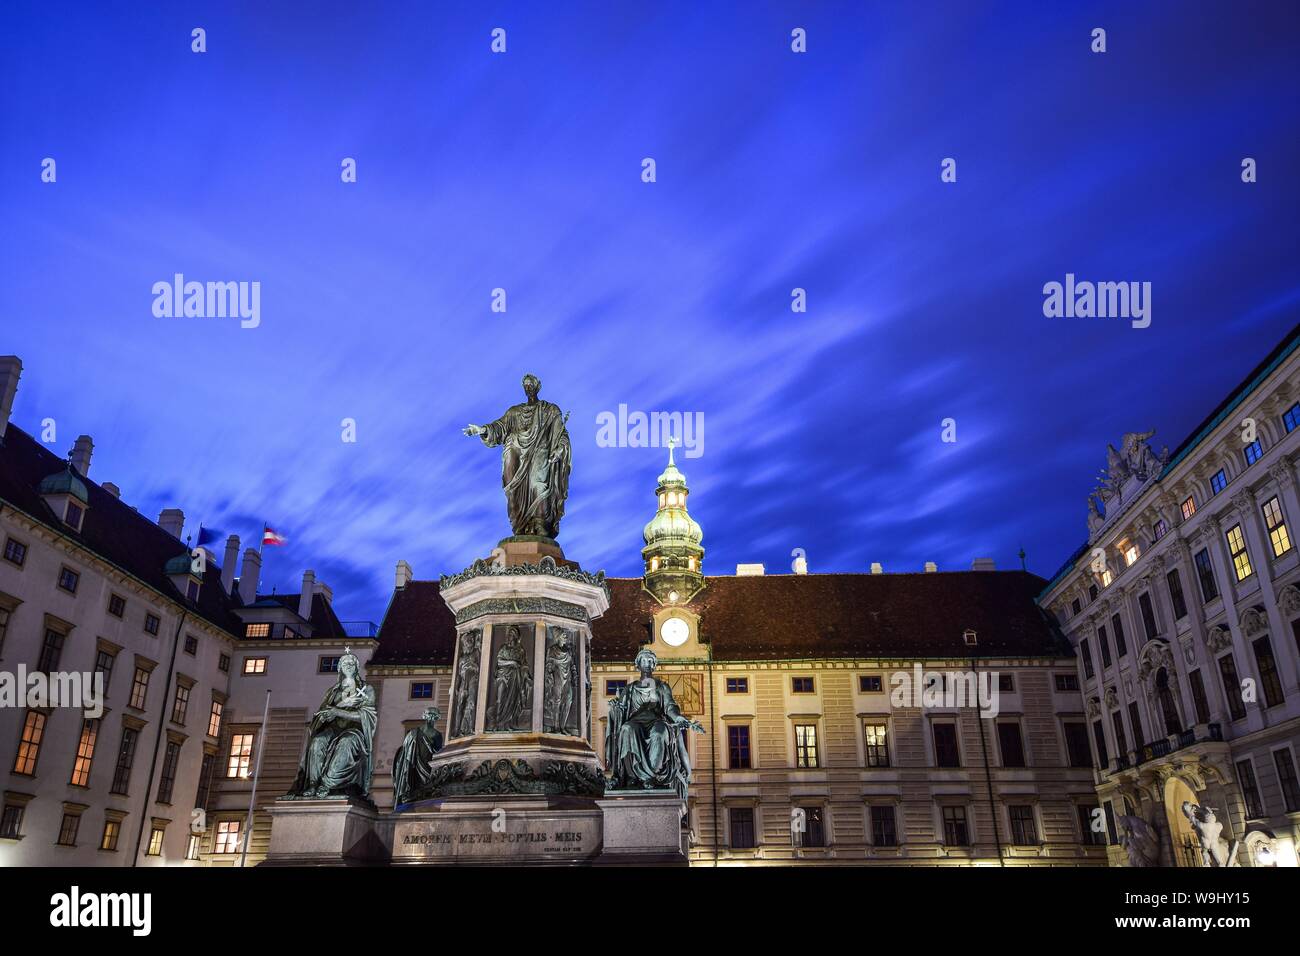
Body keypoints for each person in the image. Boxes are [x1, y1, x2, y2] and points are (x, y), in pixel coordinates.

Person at [605, 648, 704, 801]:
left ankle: (652, 776)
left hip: (656, 721)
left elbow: (670, 706)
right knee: (626, 729)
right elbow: (620, 711)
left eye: (651, 661)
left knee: (659, 733)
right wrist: (615, 707)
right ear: (638, 664)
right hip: (636, 722)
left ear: (654, 665)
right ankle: (632, 776)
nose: (648, 663)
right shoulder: (629, 689)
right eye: (644, 660)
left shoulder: (662, 687)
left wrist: (678, 718)